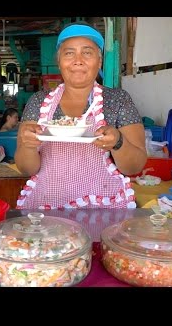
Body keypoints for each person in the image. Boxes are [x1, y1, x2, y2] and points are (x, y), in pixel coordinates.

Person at [14, 22, 147, 210]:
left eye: (87, 52)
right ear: (59, 62)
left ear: (99, 62)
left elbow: (135, 166)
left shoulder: (117, 100)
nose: (78, 60)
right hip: (47, 205)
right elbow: (26, 169)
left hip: (103, 208)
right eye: (69, 53)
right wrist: (28, 146)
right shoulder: (38, 101)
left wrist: (118, 142)